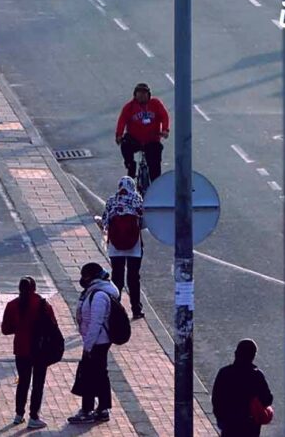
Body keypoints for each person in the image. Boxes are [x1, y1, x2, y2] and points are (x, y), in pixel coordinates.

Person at [68, 262, 119, 424]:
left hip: (97, 342)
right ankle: (102, 408)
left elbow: (95, 323)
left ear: (91, 277)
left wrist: (88, 346)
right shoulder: (97, 290)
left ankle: (87, 410)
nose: (82, 279)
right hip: (98, 341)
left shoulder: (99, 295)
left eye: (84, 276)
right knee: (100, 374)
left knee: (89, 375)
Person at [1, 276, 55, 430]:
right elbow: (53, 326)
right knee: (38, 384)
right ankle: (34, 416)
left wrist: (19, 328)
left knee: (23, 382)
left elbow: (5, 330)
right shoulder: (43, 304)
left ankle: (19, 415)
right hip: (40, 350)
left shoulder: (12, 305)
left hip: (21, 349)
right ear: (34, 288)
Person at [101, 176, 145, 320]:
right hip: (134, 245)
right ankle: (136, 309)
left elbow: (105, 221)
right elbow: (143, 219)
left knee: (117, 277)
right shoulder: (137, 199)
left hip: (115, 245)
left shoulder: (111, 200)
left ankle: (115, 308)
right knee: (133, 278)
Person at [211, 339, 274, 437]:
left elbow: (216, 399)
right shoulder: (256, 376)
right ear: (253, 356)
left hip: (229, 423)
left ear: (236, 353)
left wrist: (221, 418)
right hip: (250, 425)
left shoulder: (224, 373)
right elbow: (267, 400)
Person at [115, 82, 170, 183]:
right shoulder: (129, 107)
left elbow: (164, 116)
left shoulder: (156, 104)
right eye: (139, 93)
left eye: (144, 93)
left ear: (149, 94)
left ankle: (155, 185)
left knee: (155, 165)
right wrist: (119, 135)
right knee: (125, 146)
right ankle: (131, 168)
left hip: (152, 139)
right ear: (135, 95)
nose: (142, 96)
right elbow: (122, 121)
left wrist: (165, 130)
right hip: (134, 139)